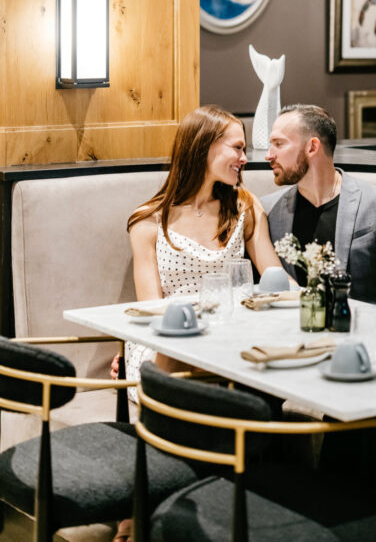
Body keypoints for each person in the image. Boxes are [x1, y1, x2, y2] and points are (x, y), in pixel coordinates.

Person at [112, 105, 287, 542]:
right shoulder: (148, 220)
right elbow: (152, 308)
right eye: (237, 148)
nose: (245, 158)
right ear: (203, 148)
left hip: (231, 336)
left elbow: (275, 281)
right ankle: (151, 503)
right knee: (173, 355)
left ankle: (162, 503)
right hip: (168, 338)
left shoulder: (245, 208)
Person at [261, 104, 376, 303]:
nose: (268, 155)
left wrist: (373, 317)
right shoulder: (269, 210)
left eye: (279, 144)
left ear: (312, 147)